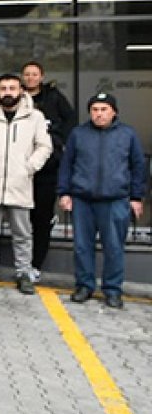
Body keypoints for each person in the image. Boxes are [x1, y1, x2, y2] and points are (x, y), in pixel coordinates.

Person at [58, 93, 146, 309]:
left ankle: (113, 290)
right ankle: (84, 286)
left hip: (115, 200)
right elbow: (67, 165)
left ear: (114, 111)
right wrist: (64, 193)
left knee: (114, 247)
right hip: (82, 200)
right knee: (81, 247)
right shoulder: (78, 134)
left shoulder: (128, 134)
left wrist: (136, 196)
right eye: (95, 109)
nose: (99, 114)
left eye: (104, 109)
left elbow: (138, 167)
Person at [0, 74, 52, 295]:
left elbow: (44, 146)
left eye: (12, 88)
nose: (8, 92)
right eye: (3, 88)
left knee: (23, 234)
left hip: (20, 184)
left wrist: (30, 167)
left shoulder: (35, 117)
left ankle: (23, 273)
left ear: (21, 91)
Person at [22, 61, 75, 280]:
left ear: (41, 77)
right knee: (21, 220)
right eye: (27, 74)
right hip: (21, 169)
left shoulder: (54, 97)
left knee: (41, 220)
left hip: (47, 169)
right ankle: (21, 264)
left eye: (35, 74)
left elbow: (70, 122)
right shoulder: (16, 98)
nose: (31, 78)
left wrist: (56, 140)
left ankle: (35, 265)